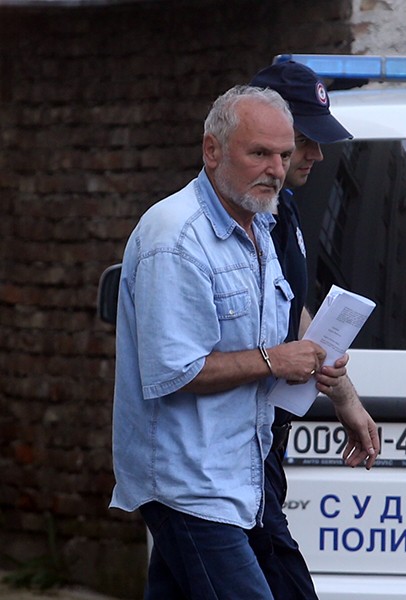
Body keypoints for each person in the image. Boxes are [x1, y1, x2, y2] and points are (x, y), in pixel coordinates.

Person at [109, 84, 379, 600]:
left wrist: (325, 375)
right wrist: (274, 360)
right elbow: (174, 371)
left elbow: (279, 328)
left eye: (283, 155)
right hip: (191, 488)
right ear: (212, 150)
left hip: (239, 482)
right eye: (259, 154)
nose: (276, 169)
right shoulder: (176, 237)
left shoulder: (258, 223)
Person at [243, 62, 367, 599]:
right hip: (234, 450)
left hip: (265, 440)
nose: (315, 154)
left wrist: (345, 394)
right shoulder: (239, 216)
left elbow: (293, 312)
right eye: (304, 140)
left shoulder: (283, 211)